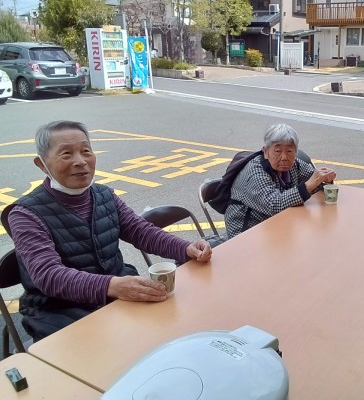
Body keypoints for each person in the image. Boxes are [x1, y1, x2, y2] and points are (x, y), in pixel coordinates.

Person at [1, 121, 212, 341]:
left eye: (86, 151)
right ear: (42, 164)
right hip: (59, 311)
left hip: (116, 295)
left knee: (176, 329)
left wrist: (186, 248)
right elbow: (48, 275)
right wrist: (112, 285)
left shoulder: (104, 195)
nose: (80, 161)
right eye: (66, 154)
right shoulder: (24, 214)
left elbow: (140, 231)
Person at [224, 124, 336, 238]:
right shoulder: (255, 171)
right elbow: (275, 205)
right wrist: (309, 185)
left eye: (289, 151)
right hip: (246, 232)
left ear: (296, 151)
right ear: (265, 151)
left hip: (277, 223)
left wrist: (325, 179)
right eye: (277, 151)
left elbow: (315, 182)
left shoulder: (295, 165)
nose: (284, 157)